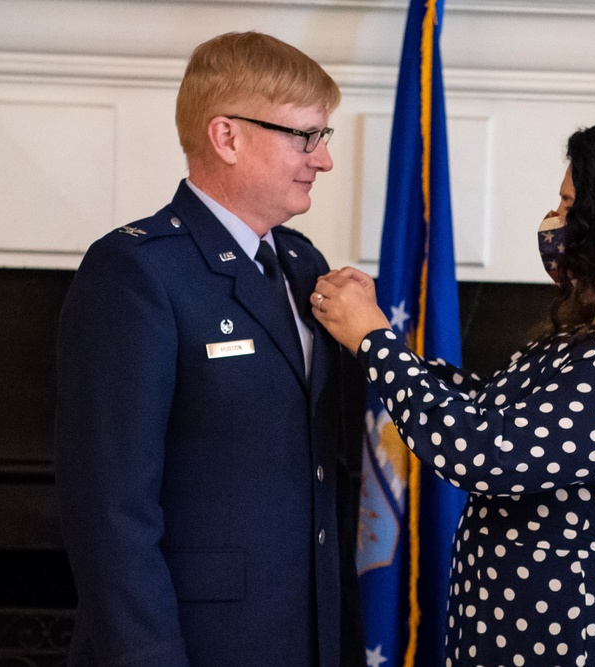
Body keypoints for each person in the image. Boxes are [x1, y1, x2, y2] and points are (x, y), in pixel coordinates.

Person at [310, 122, 595, 667]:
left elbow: (485, 452)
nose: (555, 221)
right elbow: (489, 410)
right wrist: (377, 343)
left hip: (585, 645)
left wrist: (374, 341)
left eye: (570, 205)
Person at [54, 31, 364, 667]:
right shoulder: (137, 270)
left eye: (323, 137)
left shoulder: (304, 263)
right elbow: (109, 508)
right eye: (306, 136)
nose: (323, 159)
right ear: (227, 136)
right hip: (197, 645)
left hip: (309, 637)